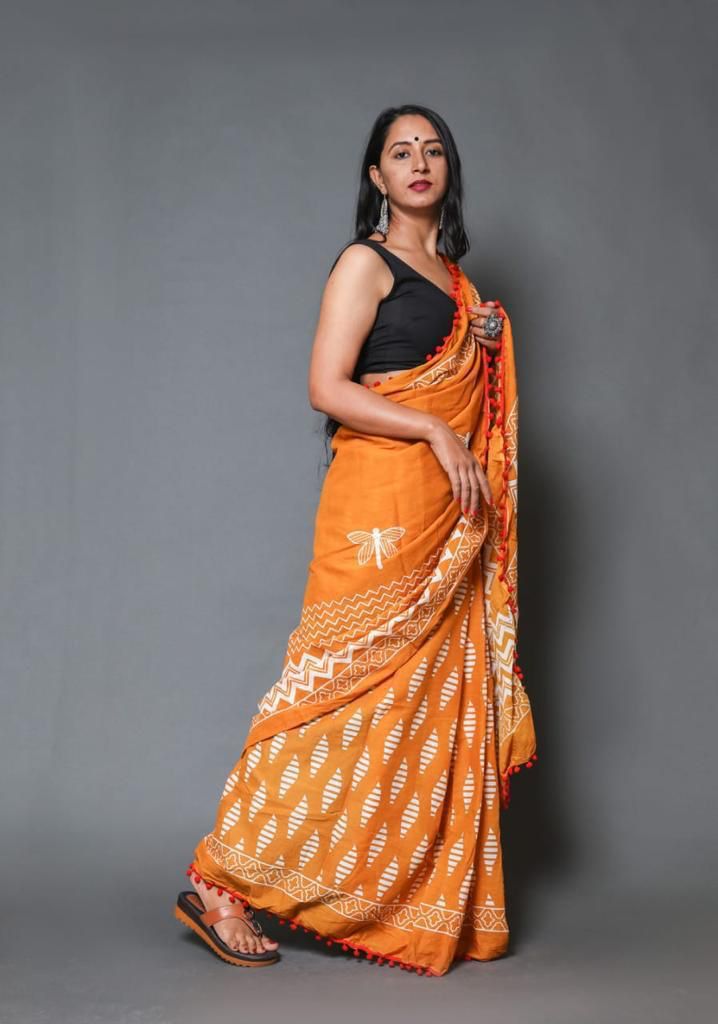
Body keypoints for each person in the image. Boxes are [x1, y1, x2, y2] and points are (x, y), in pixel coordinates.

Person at [174, 103, 537, 978]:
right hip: (378, 510)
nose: (418, 163)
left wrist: (485, 340)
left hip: (444, 522)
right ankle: (220, 881)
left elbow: (457, 377)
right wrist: (439, 432)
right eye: (399, 153)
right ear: (376, 178)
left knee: (410, 709)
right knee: (328, 696)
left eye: (433, 150)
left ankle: (402, 900)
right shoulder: (362, 263)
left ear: (447, 171)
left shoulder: (455, 278)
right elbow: (326, 386)